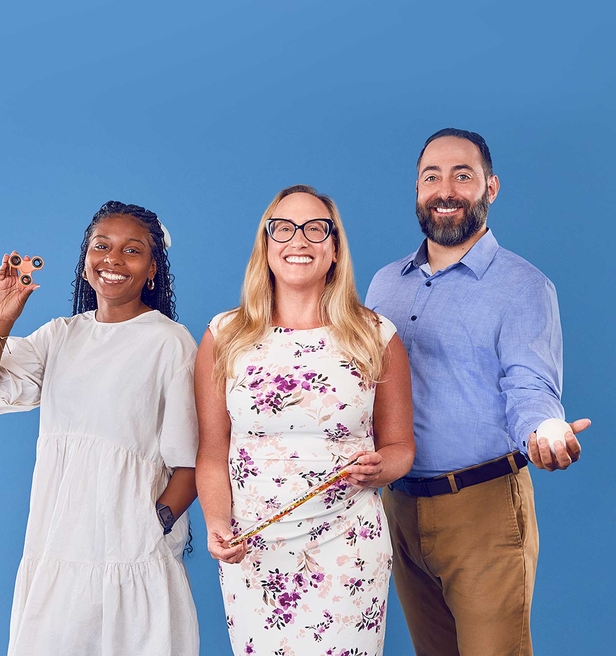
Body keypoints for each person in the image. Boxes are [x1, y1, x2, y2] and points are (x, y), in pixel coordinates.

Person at [365, 128, 591, 656]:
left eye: (462, 175)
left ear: (490, 187)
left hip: (482, 509)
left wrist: (544, 431)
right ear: (417, 190)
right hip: (398, 509)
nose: (446, 189)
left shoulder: (523, 286)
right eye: (432, 177)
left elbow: (529, 383)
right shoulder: (384, 284)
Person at [0, 201, 200, 655]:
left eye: (132, 251)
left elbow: (191, 462)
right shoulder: (60, 335)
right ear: (85, 260)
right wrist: (1, 320)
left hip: (133, 555)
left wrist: (150, 527)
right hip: (57, 546)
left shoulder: (170, 343)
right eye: (101, 246)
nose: (112, 259)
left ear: (152, 269)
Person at [195, 184, 414, 655]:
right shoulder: (223, 335)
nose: (299, 240)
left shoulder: (375, 336)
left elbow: (401, 448)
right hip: (255, 551)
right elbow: (213, 452)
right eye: (284, 229)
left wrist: (382, 467)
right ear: (266, 245)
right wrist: (217, 524)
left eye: (316, 229)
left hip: (348, 543)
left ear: (334, 249)